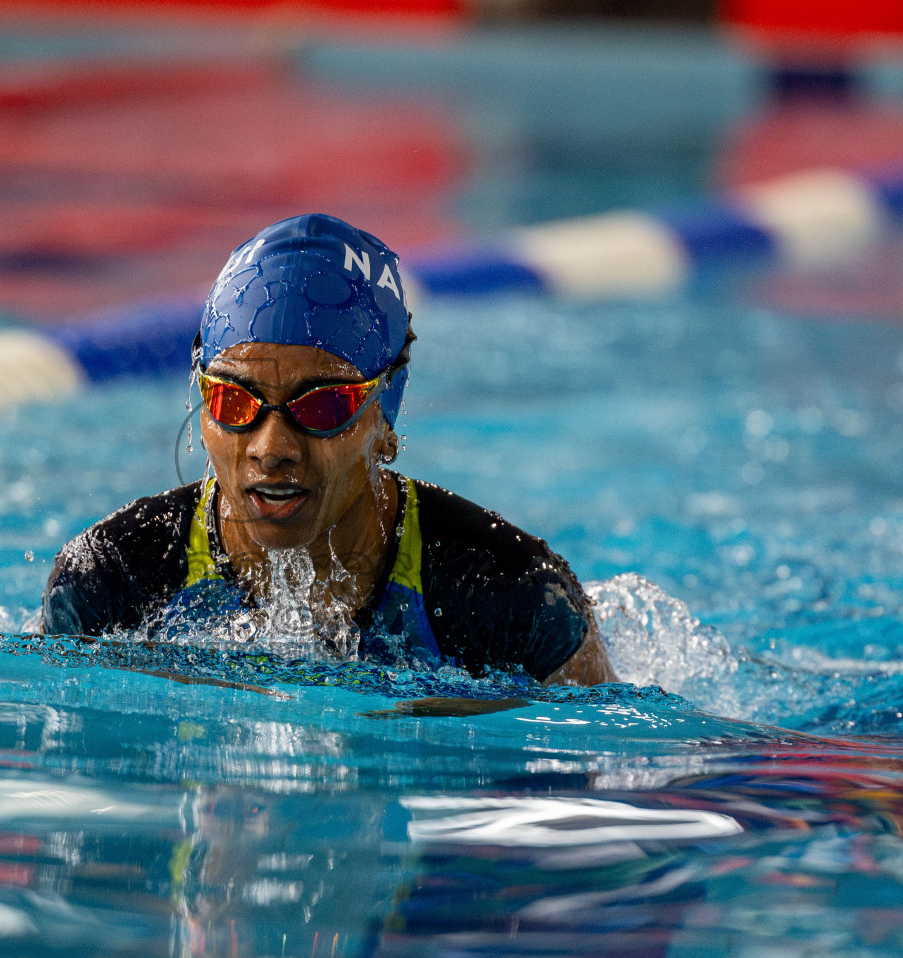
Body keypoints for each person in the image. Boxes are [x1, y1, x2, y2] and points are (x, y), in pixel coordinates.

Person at [41, 213, 613, 687]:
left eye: (322, 406)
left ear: (384, 421)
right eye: (234, 400)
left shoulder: (511, 596)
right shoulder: (110, 581)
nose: (270, 448)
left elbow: (602, 775)